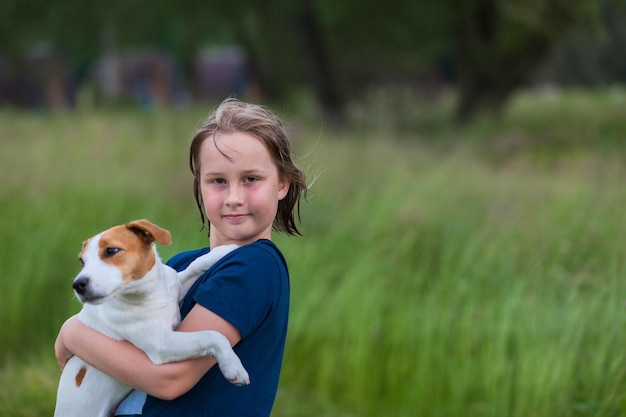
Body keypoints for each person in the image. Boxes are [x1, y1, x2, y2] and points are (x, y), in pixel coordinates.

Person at [55, 98, 308, 416]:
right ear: (200, 186)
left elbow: (170, 378)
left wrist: (71, 334)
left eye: (251, 179)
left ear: (282, 184)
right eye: (218, 180)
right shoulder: (179, 266)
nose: (233, 197)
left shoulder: (254, 265)